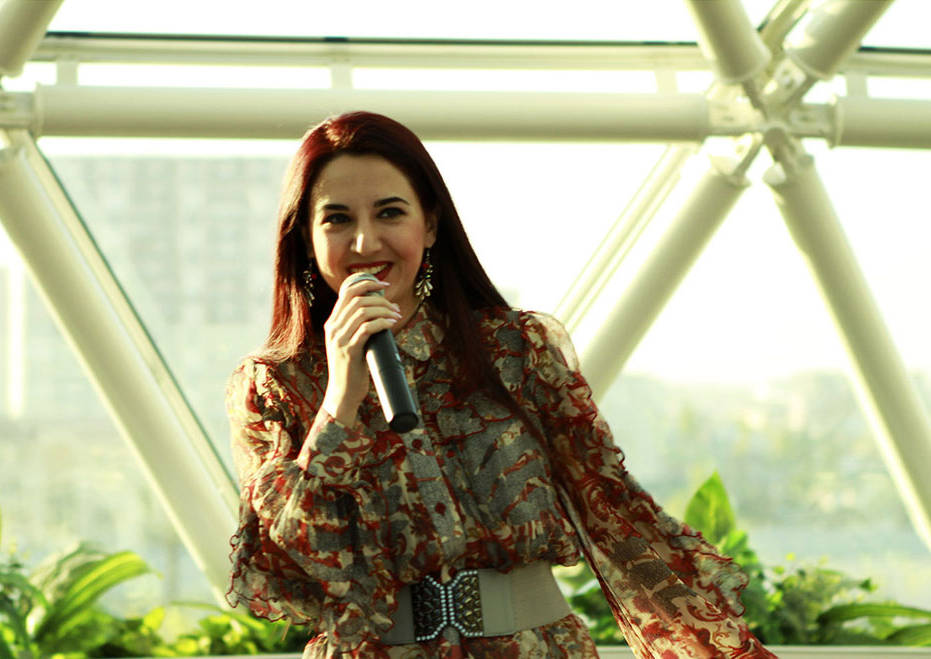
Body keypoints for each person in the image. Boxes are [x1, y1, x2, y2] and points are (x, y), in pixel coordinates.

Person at [226, 111, 777, 659]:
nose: (366, 241)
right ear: (306, 238)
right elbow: (286, 565)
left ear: (430, 225)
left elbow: (612, 506)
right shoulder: (274, 385)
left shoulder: (514, 348)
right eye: (337, 219)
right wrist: (340, 401)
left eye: (390, 212)